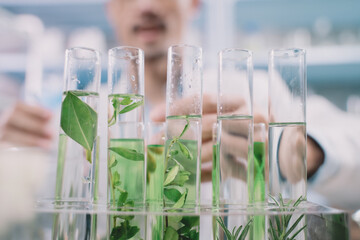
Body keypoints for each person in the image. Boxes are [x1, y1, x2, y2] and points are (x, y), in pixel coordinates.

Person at [1, 0, 360, 210]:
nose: (146, 6)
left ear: (195, 3)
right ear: (110, 8)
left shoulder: (253, 93)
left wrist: (301, 154)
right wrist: (11, 160)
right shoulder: (81, 112)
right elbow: (28, 212)